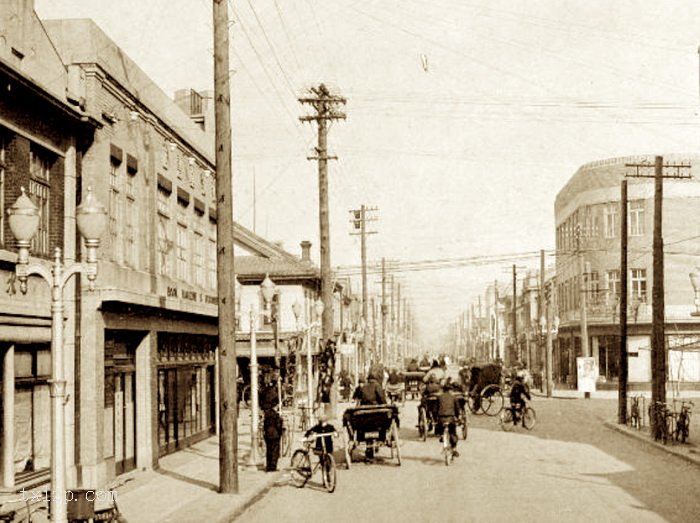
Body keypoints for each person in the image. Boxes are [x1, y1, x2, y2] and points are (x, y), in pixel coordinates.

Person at [436, 383, 460, 457]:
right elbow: (457, 409)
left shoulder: (439, 397)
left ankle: (441, 435)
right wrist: (457, 417)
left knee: (439, 428)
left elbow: (436, 409)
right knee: (453, 432)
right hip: (450, 418)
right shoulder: (454, 397)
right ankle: (454, 449)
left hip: (441, 419)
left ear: (443, 390)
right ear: (450, 390)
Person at [263, 407, 284, 472]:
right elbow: (278, 426)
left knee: (268, 450)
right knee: (275, 450)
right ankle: (273, 466)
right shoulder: (276, 416)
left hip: (268, 434)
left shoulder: (267, 415)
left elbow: (265, 426)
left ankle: (268, 466)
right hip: (275, 435)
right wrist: (280, 433)